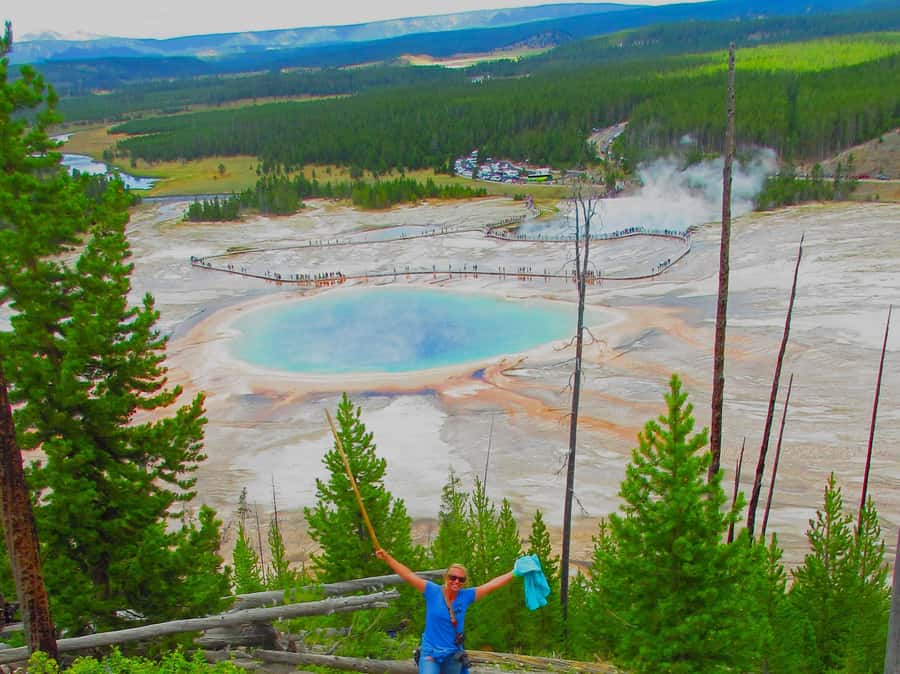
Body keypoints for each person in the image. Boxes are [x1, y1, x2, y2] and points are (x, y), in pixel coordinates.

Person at [376, 548, 515, 674]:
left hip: (453, 654)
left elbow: (491, 585)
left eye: (461, 579)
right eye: (452, 577)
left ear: (464, 582)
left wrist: (515, 572)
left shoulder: (466, 596)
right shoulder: (432, 591)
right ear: (446, 578)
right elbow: (408, 575)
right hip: (431, 651)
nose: (456, 581)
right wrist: (387, 557)